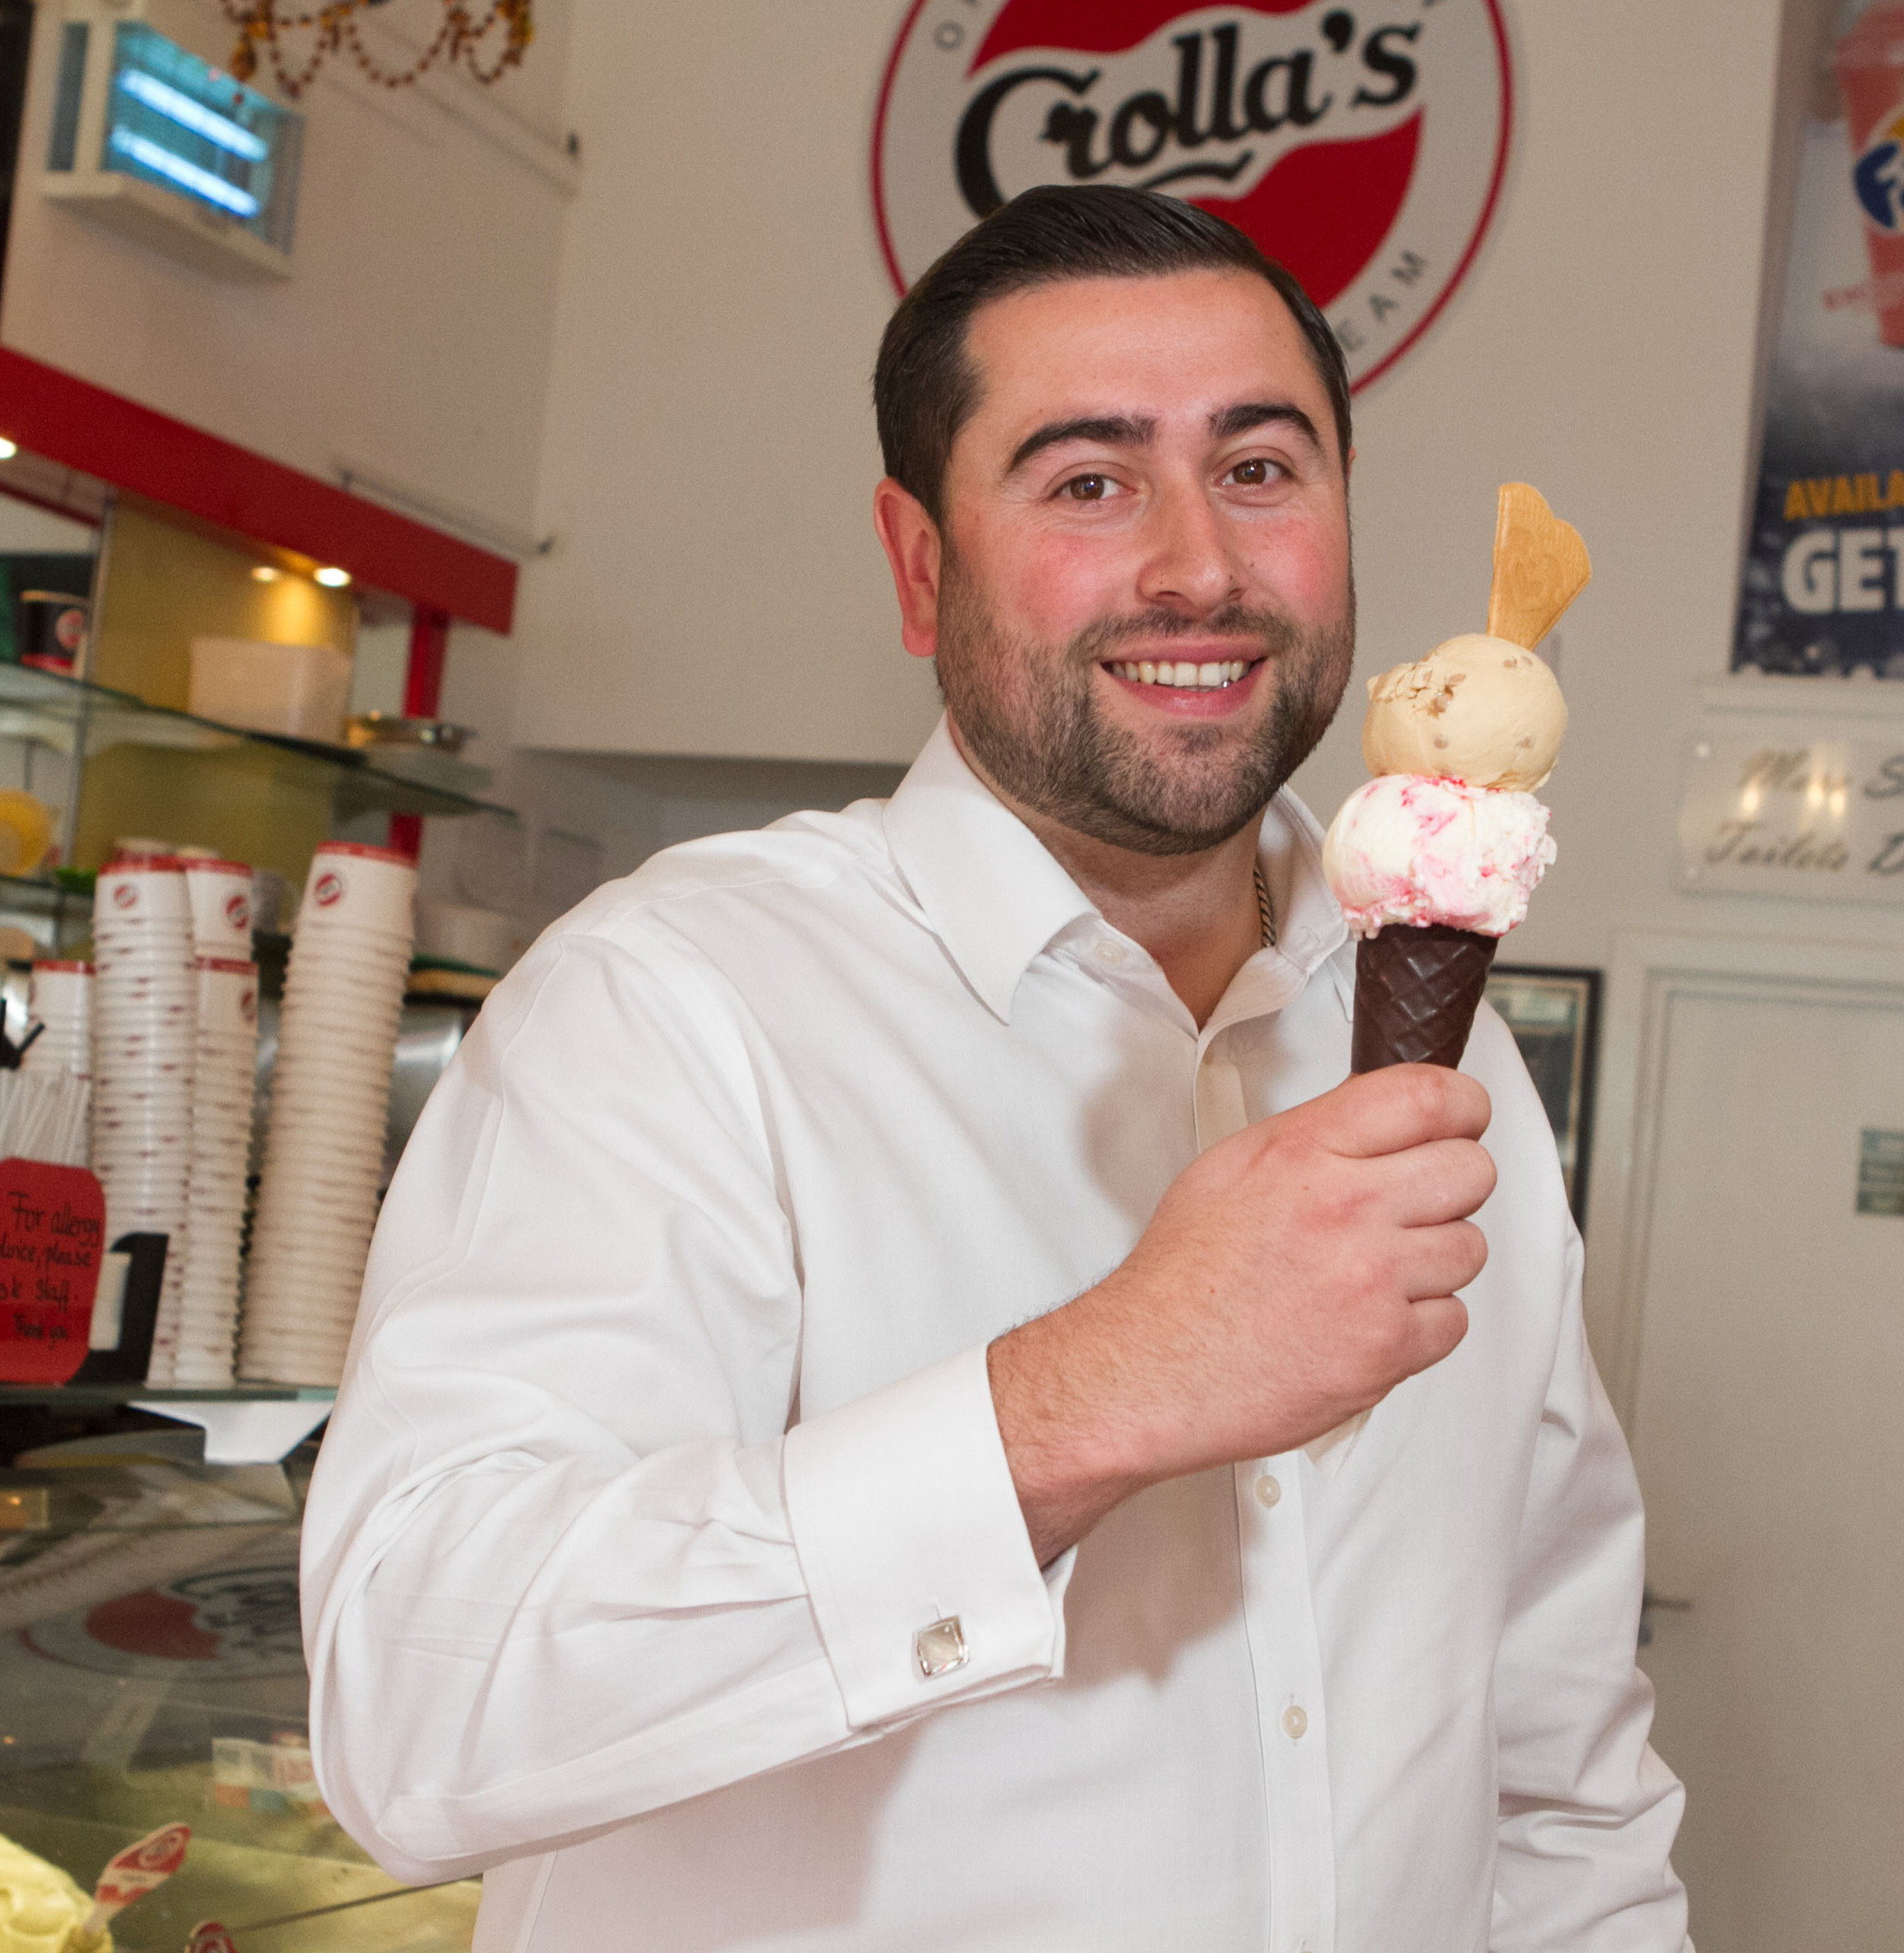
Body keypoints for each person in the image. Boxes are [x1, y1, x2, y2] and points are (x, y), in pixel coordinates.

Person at [304, 186, 1688, 1949]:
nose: (1197, 562)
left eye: (1261, 468)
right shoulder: (676, 1002)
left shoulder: (1451, 1039)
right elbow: (413, 1709)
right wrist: (1086, 1392)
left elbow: (1557, 1764)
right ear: (916, 563)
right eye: (1088, 481)